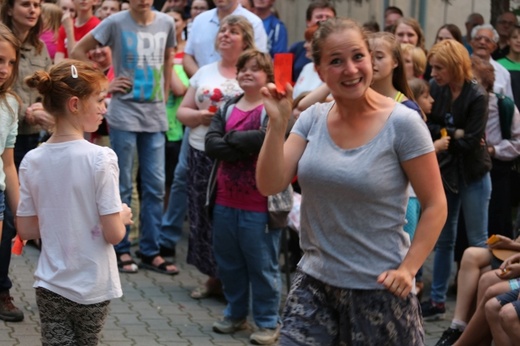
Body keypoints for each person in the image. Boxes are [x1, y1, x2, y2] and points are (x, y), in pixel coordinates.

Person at [257, 17, 447, 345]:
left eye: (358, 56)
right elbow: (270, 183)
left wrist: (408, 269)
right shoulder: (313, 119)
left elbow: (435, 204)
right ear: (318, 70)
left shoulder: (403, 123)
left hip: (380, 288)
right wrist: (278, 124)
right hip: (314, 284)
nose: (350, 69)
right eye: (336, 61)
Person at [17, 59, 133, 345]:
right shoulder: (100, 158)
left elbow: (28, 231)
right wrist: (124, 215)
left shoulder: (32, 159)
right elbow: (114, 233)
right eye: (100, 100)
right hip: (91, 283)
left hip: (50, 282)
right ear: (74, 104)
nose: (104, 108)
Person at [72, 0, 177, 275]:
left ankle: (150, 251)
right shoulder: (116, 22)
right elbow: (78, 50)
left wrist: (164, 96)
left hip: (154, 116)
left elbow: (168, 58)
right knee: (121, 184)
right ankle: (121, 249)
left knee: (155, 185)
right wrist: (105, 83)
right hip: (124, 115)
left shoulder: (166, 23)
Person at [205, 49, 282, 345]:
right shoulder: (227, 107)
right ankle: (235, 315)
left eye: (255, 69)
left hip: (259, 204)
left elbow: (267, 138)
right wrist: (241, 144)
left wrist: (232, 140)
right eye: (243, 68)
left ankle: (267, 322)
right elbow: (211, 145)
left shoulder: (271, 107)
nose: (247, 73)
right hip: (224, 200)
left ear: (268, 76)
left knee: (262, 266)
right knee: (230, 263)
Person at [177, 14, 250, 299]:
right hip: (200, 153)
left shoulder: (250, 73)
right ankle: (211, 278)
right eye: (222, 30)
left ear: (245, 41)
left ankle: (235, 281)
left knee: (230, 219)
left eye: (233, 32)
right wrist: (200, 116)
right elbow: (183, 112)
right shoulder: (204, 71)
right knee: (202, 217)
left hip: (236, 158)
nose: (225, 35)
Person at [422, 39, 492, 321]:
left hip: (474, 174)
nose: (434, 73)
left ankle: (478, 303)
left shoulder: (477, 95)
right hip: (448, 172)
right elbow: (429, 124)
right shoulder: (437, 88)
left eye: (440, 67)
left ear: (454, 66)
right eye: (433, 67)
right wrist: (454, 132)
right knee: (444, 239)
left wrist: (447, 134)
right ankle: (437, 301)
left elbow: (473, 141)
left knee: (477, 242)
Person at [0, 0, 53, 323]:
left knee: (9, 227)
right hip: (18, 125)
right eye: (25, 3)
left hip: (27, 136)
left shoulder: (39, 48)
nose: (32, 10)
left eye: (37, 4)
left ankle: (1, 287)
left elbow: (43, 88)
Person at [182, 0, 267, 77]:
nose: (226, 34)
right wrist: (202, 80)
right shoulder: (200, 20)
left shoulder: (253, 22)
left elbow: (257, 61)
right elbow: (188, 57)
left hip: (238, 88)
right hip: (201, 88)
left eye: (233, 32)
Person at [0, 23, 21, 321]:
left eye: (11, 62)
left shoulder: (11, 104)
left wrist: (21, 215)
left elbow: (8, 163)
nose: (5, 69)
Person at [287, 0, 335, 82]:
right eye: (319, 17)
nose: (324, 20)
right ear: (308, 22)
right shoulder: (297, 49)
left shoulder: (339, 49)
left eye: (328, 17)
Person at [471, 24, 514, 100]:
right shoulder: (460, 66)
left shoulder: (503, 73)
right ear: (472, 43)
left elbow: (509, 104)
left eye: (487, 40)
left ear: (494, 47)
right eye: (478, 38)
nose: (482, 42)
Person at [292, 24, 322, 99]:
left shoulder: (330, 72)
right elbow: (294, 96)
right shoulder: (307, 67)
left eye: (309, 41)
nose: (305, 45)